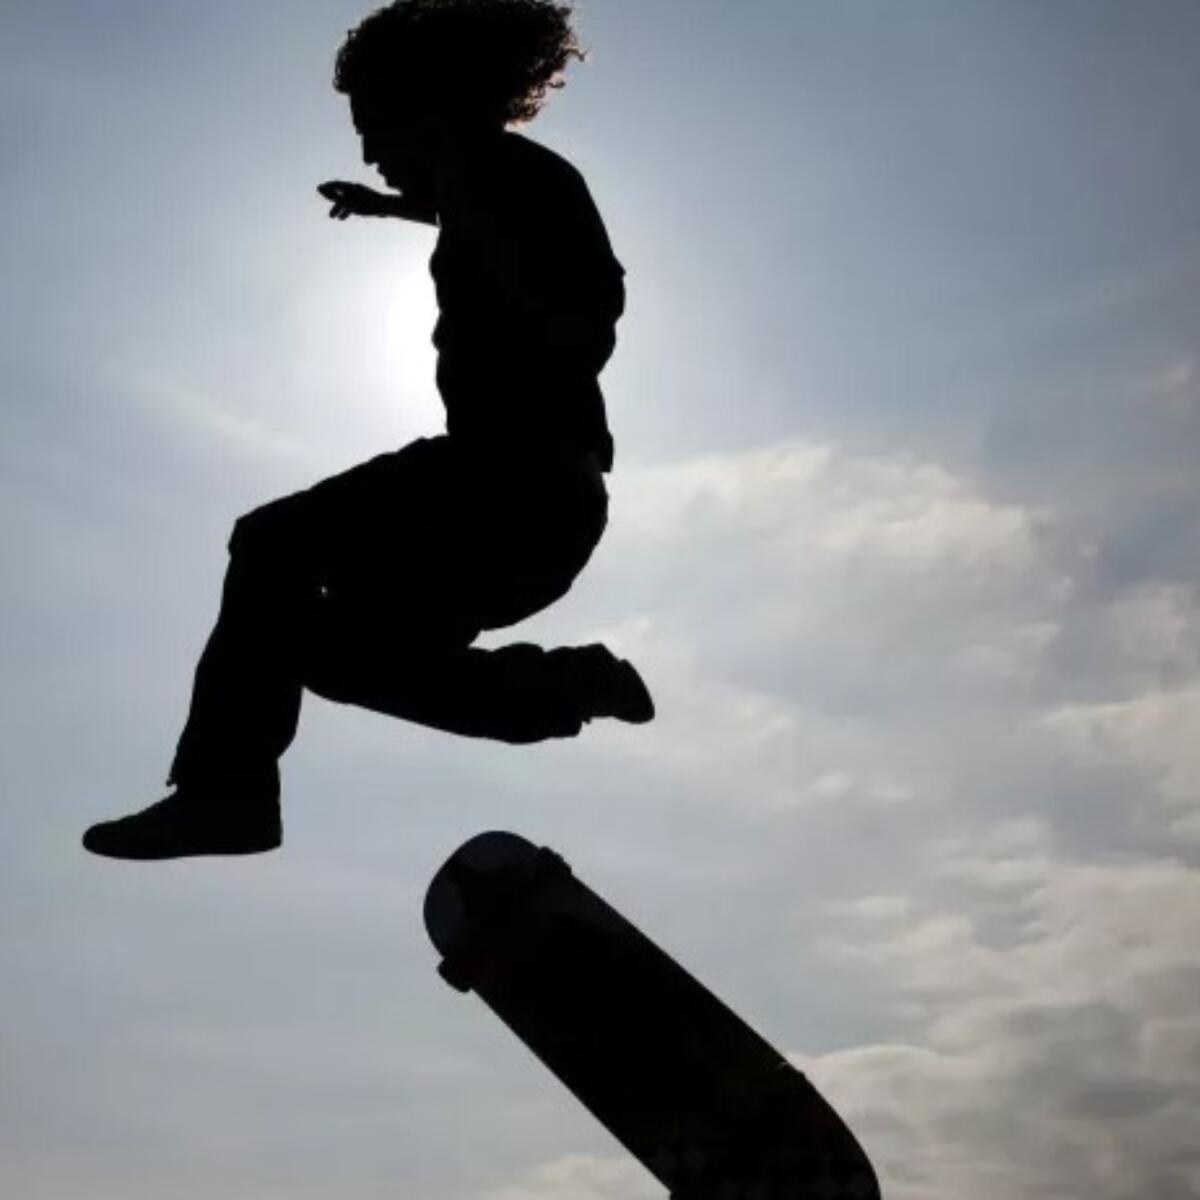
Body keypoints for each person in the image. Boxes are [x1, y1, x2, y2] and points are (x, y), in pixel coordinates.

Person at [83, 0, 653, 861]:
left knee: (272, 546)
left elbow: (592, 294)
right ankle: (559, 687)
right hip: (542, 512)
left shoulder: (494, 177)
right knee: (330, 649)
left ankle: (225, 796)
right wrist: (395, 210)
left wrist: (547, 321)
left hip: (508, 485)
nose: (368, 151)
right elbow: (496, 218)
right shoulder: (493, 180)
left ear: (432, 103)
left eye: (373, 126)